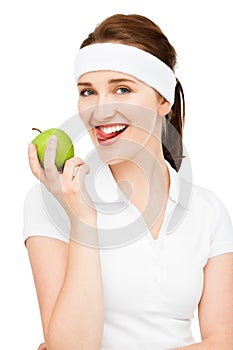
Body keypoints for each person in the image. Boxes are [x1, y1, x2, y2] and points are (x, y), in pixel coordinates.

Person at [23, 14, 233, 350]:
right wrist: (83, 219)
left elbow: (224, 341)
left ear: (163, 100)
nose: (100, 111)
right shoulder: (51, 200)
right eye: (87, 92)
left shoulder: (208, 211)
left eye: (122, 88)